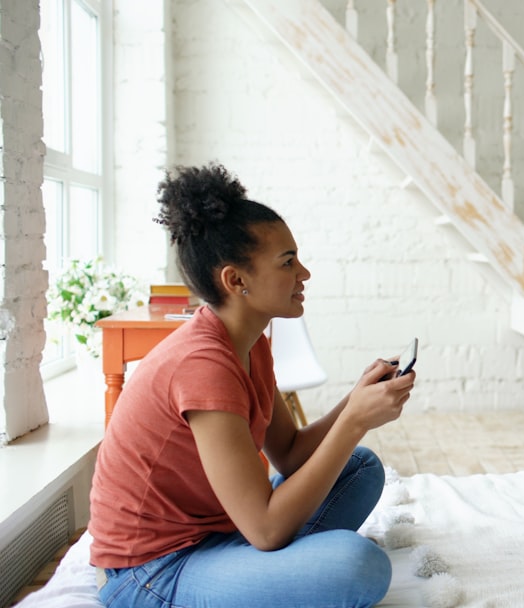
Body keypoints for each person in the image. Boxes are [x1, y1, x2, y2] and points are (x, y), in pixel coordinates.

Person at [88, 162, 415, 607]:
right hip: (151, 573)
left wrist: (354, 401)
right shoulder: (203, 365)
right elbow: (265, 530)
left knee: (360, 467)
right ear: (236, 280)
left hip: (223, 532)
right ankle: (288, 574)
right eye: (288, 262)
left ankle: (278, 576)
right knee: (359, 566)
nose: (304, 273)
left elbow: (291, 452)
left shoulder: (249, 343)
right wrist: (354, 422)